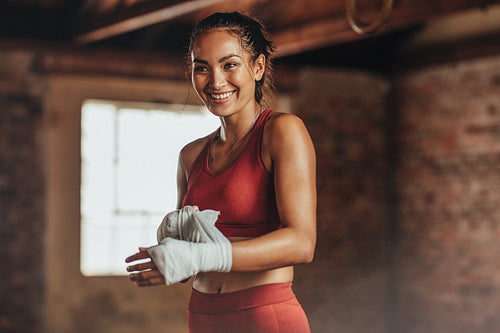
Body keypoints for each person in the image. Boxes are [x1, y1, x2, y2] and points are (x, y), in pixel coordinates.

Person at [125, 11, 316, 333]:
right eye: (202, 68)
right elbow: (190, 265)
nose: (215, 81)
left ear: (257, 67)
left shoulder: (282, 131)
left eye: (229, 64)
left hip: (264, 314)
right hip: (202, 314)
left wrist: (199, 257)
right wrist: (171, 249)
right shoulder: (191, 155)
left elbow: (301, 243)